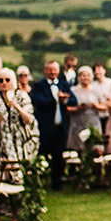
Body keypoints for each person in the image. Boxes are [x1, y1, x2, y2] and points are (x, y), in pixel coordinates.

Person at [30, 60, 70, 190]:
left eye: (54, 69)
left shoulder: (63, 84)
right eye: (50, 69)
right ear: (45, 71)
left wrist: (65, 100)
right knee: (42, 154)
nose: (52, 72)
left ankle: (56, 183)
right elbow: (38, 101)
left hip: (60, 128)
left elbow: (74, 100)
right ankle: (38, 182)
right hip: (45, 127)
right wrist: (55, 100)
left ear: (59, 71)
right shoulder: (39, 85)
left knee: (58, 157)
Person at [0, 67, 36, 176]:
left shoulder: (22, 96)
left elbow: (29, 120)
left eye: (7, 80)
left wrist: (17, 107)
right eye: (1, 80)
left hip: (20, 143)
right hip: (2, 144)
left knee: (21, 174)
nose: (4, 83)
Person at [66, 66, 105, 154]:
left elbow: (104, 106)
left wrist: (97, 106)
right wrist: (77, 108)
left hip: (93, 121)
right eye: (83, 75)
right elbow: (67, 108)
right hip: (78, 121)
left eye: (88, 75)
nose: (86, 78)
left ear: (92, 77)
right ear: (79, 77)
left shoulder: (97, 90)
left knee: (94, 148)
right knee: (78, 149)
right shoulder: (73, 90)